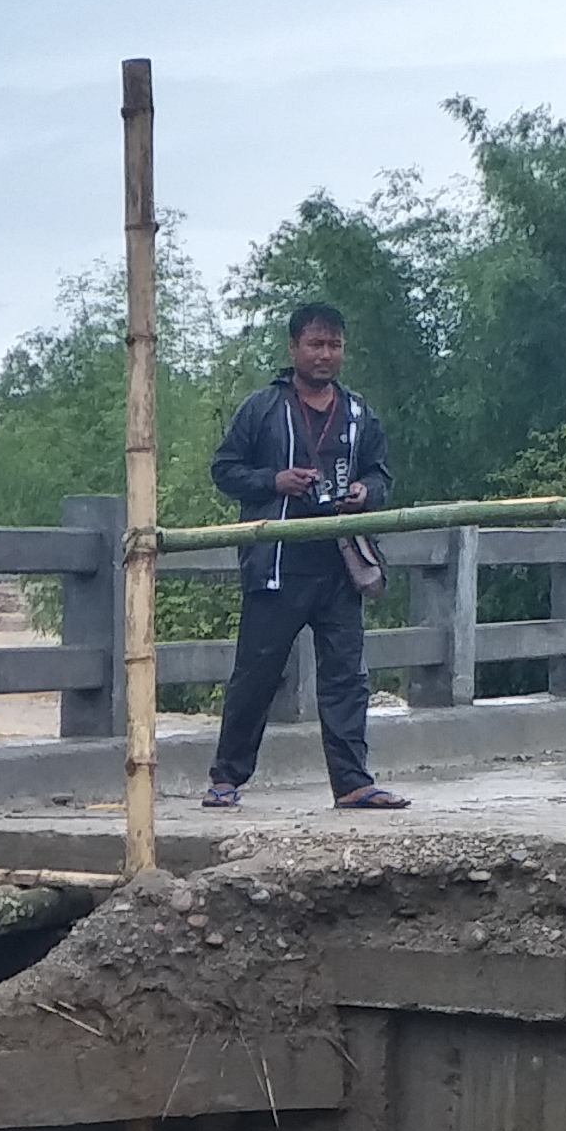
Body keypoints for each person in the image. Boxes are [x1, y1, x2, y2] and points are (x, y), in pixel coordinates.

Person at [202, 299, 407, 810]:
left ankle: (353, 783)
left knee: (346, 677)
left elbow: (382, 474)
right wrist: (275, 481)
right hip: (277, 563)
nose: (325, 354)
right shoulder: (262, 409)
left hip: (340, 562)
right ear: (294, 348)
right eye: (315, 344)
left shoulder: (359, 413)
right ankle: (226, 779)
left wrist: (365, 492)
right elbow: (225, 469)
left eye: (334, 345)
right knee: (257, 673)